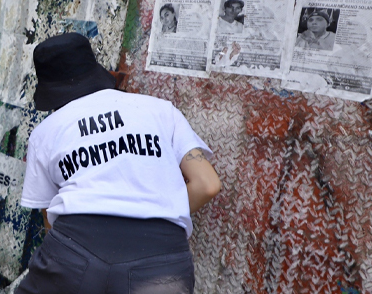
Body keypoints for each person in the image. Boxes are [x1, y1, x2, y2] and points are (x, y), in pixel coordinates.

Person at [16, 33, 221, 294]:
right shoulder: (161, 110)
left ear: (50, 90)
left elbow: (50, 220)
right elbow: (207, 185)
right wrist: (157, 212)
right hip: (161, 260)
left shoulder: (46, 132)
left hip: (76, 250)